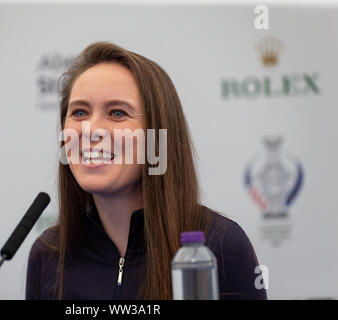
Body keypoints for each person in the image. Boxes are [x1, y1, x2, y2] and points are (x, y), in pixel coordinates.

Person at [26, 42, 267, 300]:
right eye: (80, 112)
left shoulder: (220, 245)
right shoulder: (48, 254)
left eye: (117, 113)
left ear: (157, 136)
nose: (90, 130)